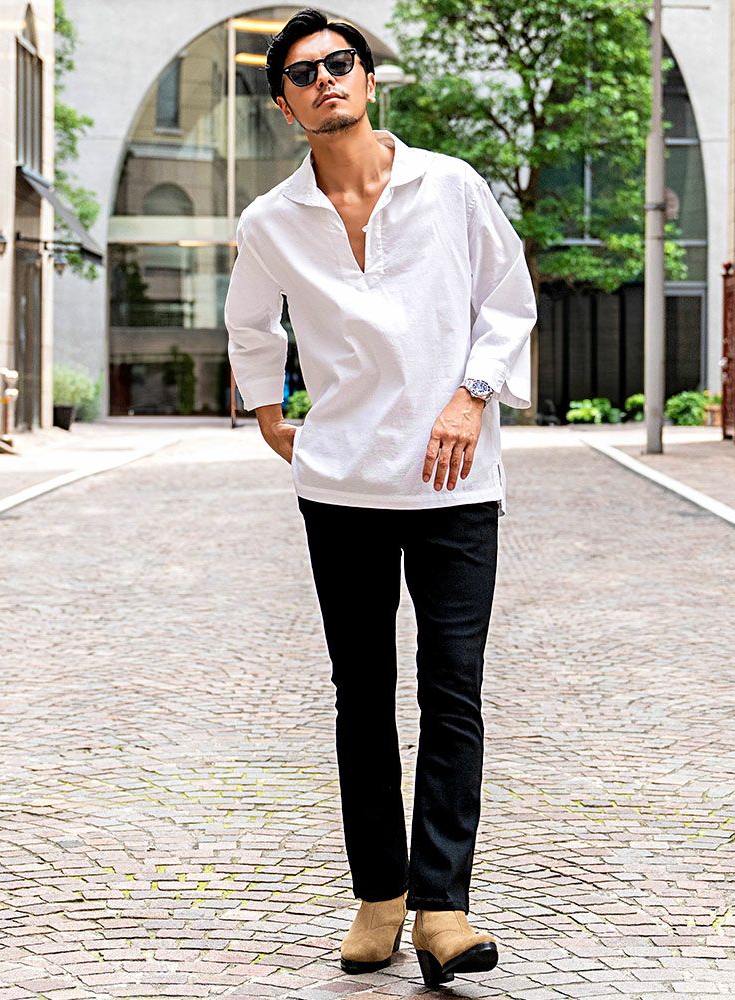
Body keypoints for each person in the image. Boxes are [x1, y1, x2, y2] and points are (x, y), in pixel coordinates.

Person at [223, 7, 536, 989]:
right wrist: (270, 414)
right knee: (360, 695)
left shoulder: (449, 185)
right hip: (342, 487)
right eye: (303, 72)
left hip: (454, 484)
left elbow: (509, 298)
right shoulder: (270, 221)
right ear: (285, 105)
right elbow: (250, 326)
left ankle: (443, 907)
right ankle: (379, 896)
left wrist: (470, 396)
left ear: (366, 79)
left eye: (340, 63)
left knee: (451, 689)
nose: (326, 79)